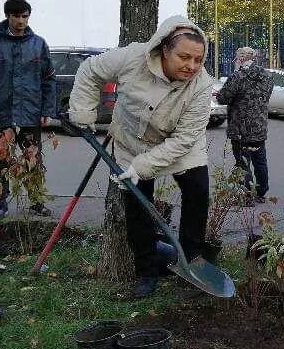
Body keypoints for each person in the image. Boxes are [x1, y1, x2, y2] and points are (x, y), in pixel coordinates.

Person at [68, 16, 215, 299]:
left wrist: (145, 165)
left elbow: (184, 139)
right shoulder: (132, 57)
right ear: (163, 50)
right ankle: (147, 270)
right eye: (184, 57)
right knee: (138, 207)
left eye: (198, 59)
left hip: (180, 146)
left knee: (197, 194)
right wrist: (83, 114)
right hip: (130, 143)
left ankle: (192, 262)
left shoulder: (201, 85)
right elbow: (89, 71)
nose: (191, 66)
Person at [0, 0, 57, 216]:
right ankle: (1, 202)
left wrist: (47, 110)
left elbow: (48, 79)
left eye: (25, 16)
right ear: (8, 16)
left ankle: (36, 201)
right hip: (2, 115)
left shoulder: (38, 44)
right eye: (17, 16)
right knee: (1, 160)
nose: (21, 20)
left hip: (30, 114)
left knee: (33, 159)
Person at [216, 46, 272, 202]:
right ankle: (260, 192)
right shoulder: (266, 76)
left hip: (240, 128)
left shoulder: (238, 76)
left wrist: (222, 94)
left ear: (241, 59)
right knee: (260, 160)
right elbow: (264, 97)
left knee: (242, 161)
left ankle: (247, 195)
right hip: (259, 127)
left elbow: (223, 98)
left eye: (236, 58)